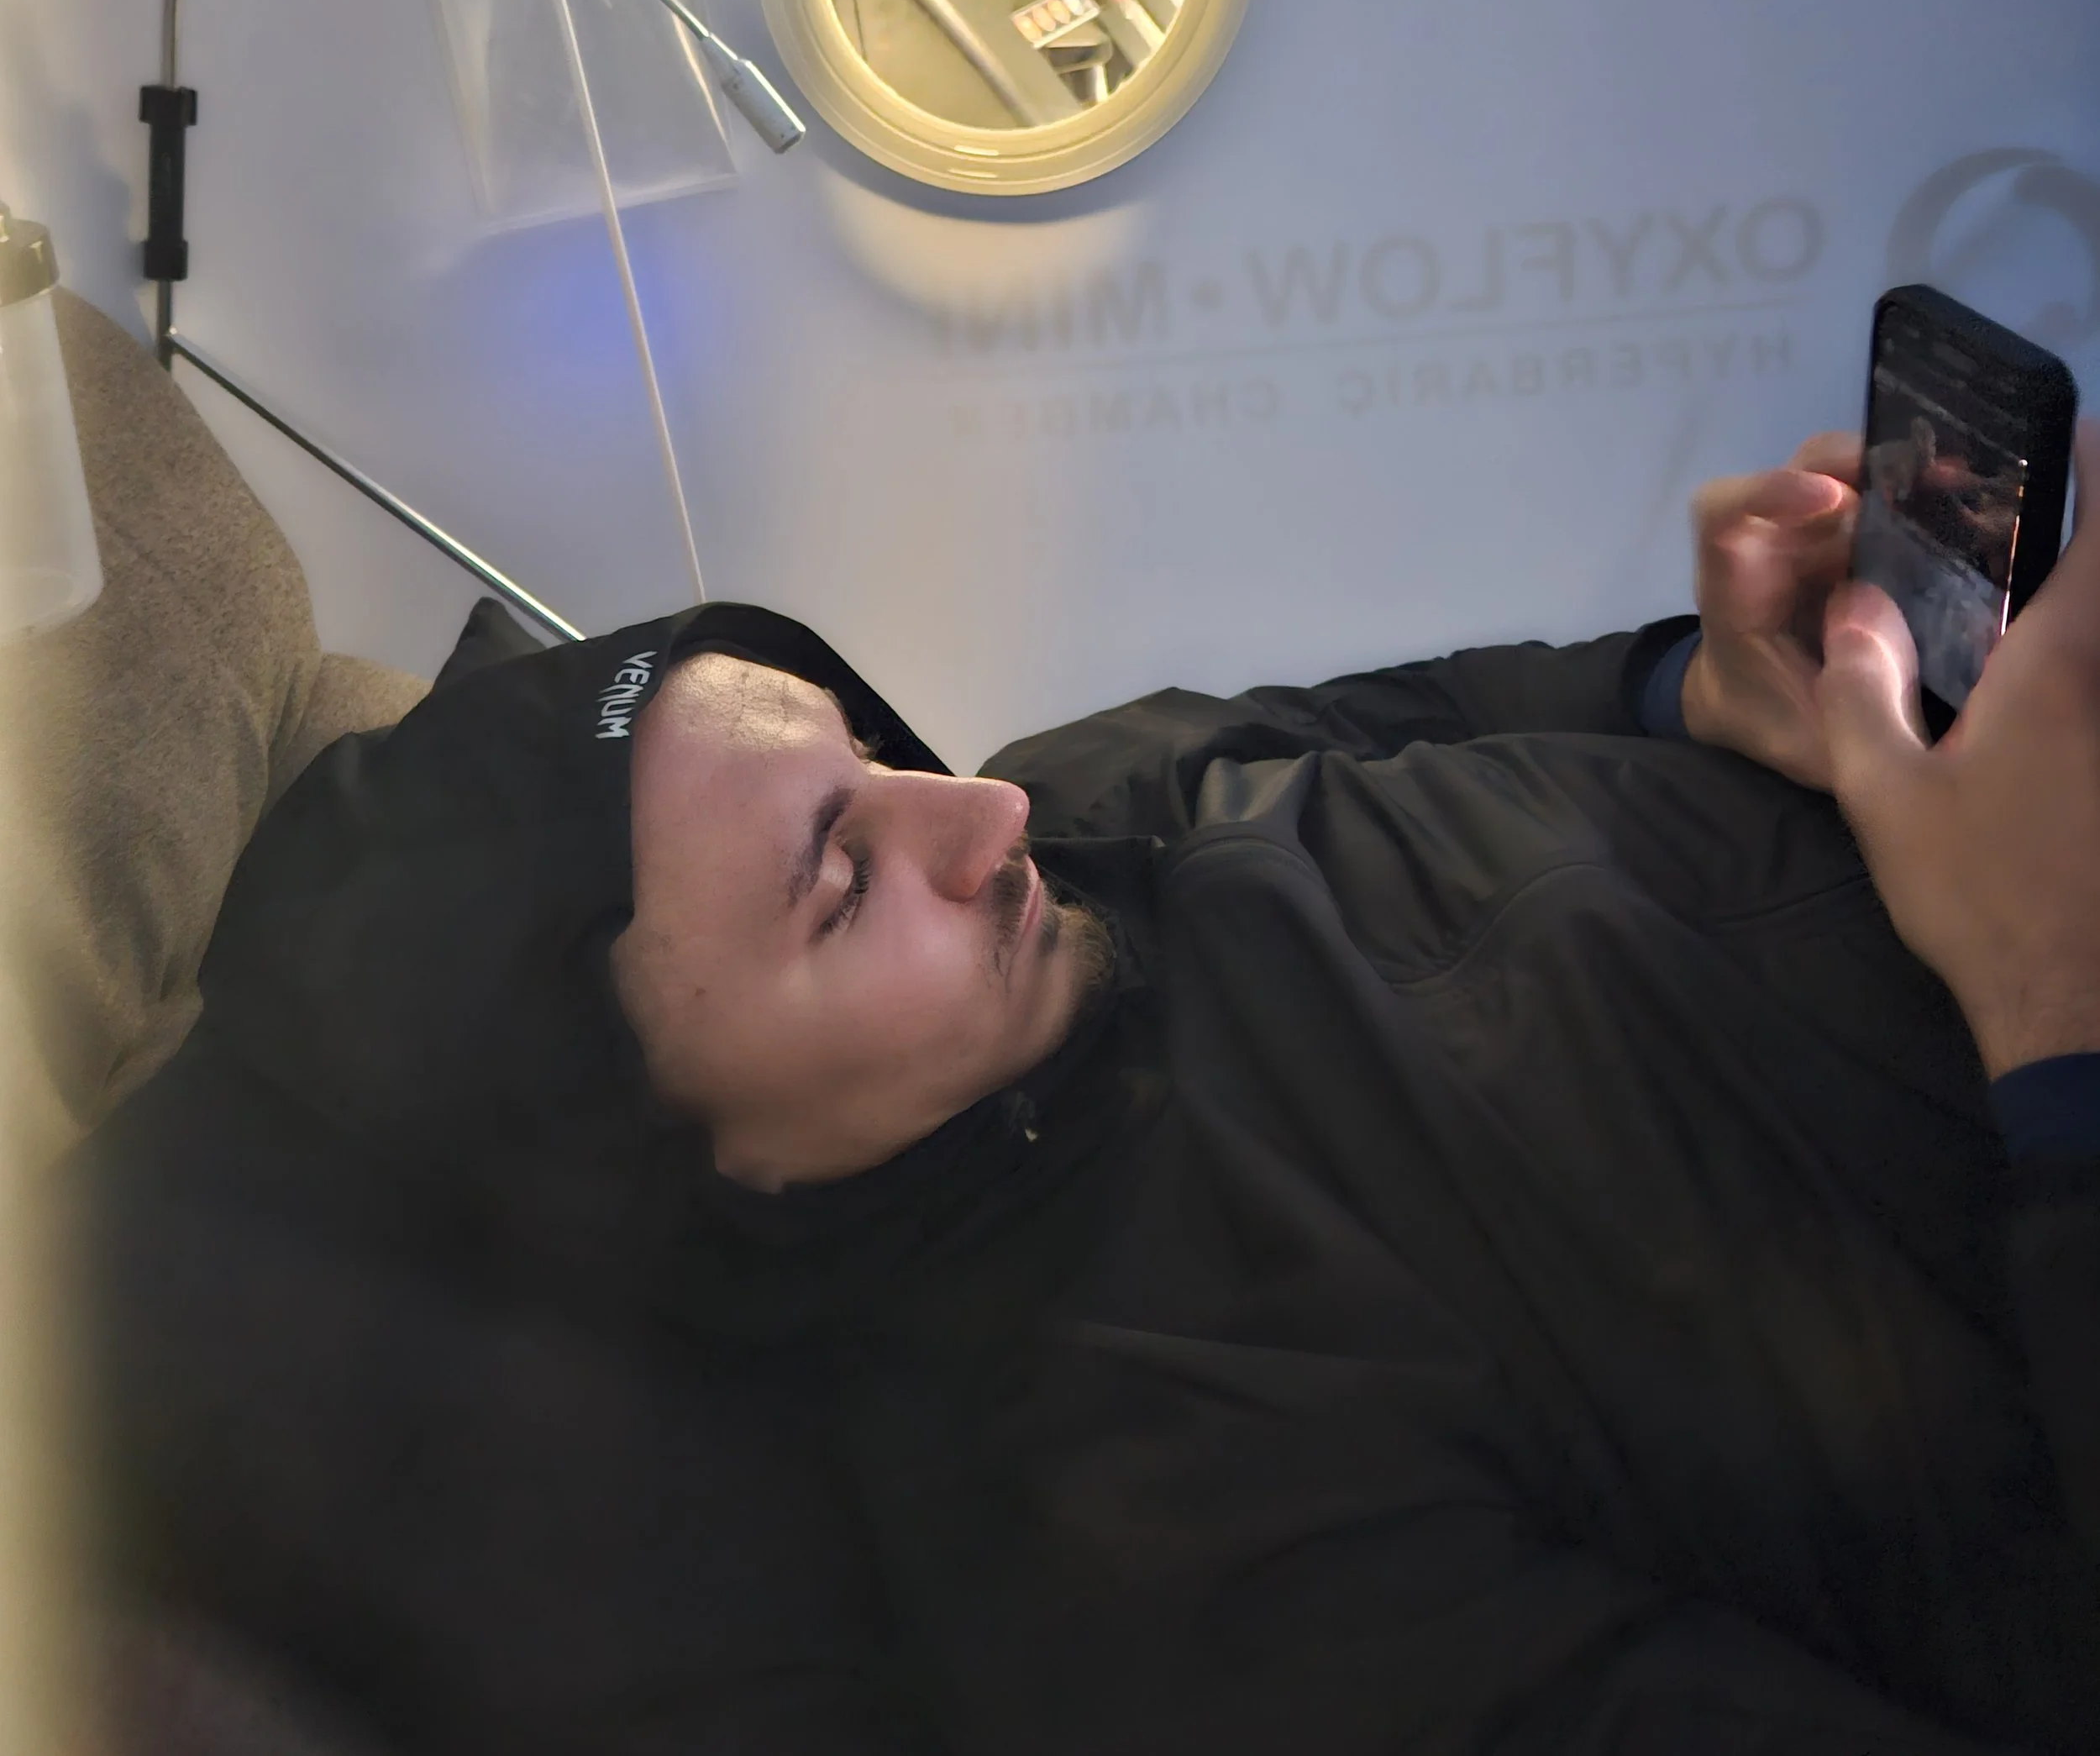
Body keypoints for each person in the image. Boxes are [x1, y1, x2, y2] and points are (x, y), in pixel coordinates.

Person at [65, 428, 2100, 1756]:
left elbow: (1478, 708)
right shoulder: (1168, 1547)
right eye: (839, 881)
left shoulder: (1094, 792)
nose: (982, 809)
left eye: (858, 745)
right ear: (718, 1169)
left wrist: (1715, 685)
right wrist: (2040, 1008)